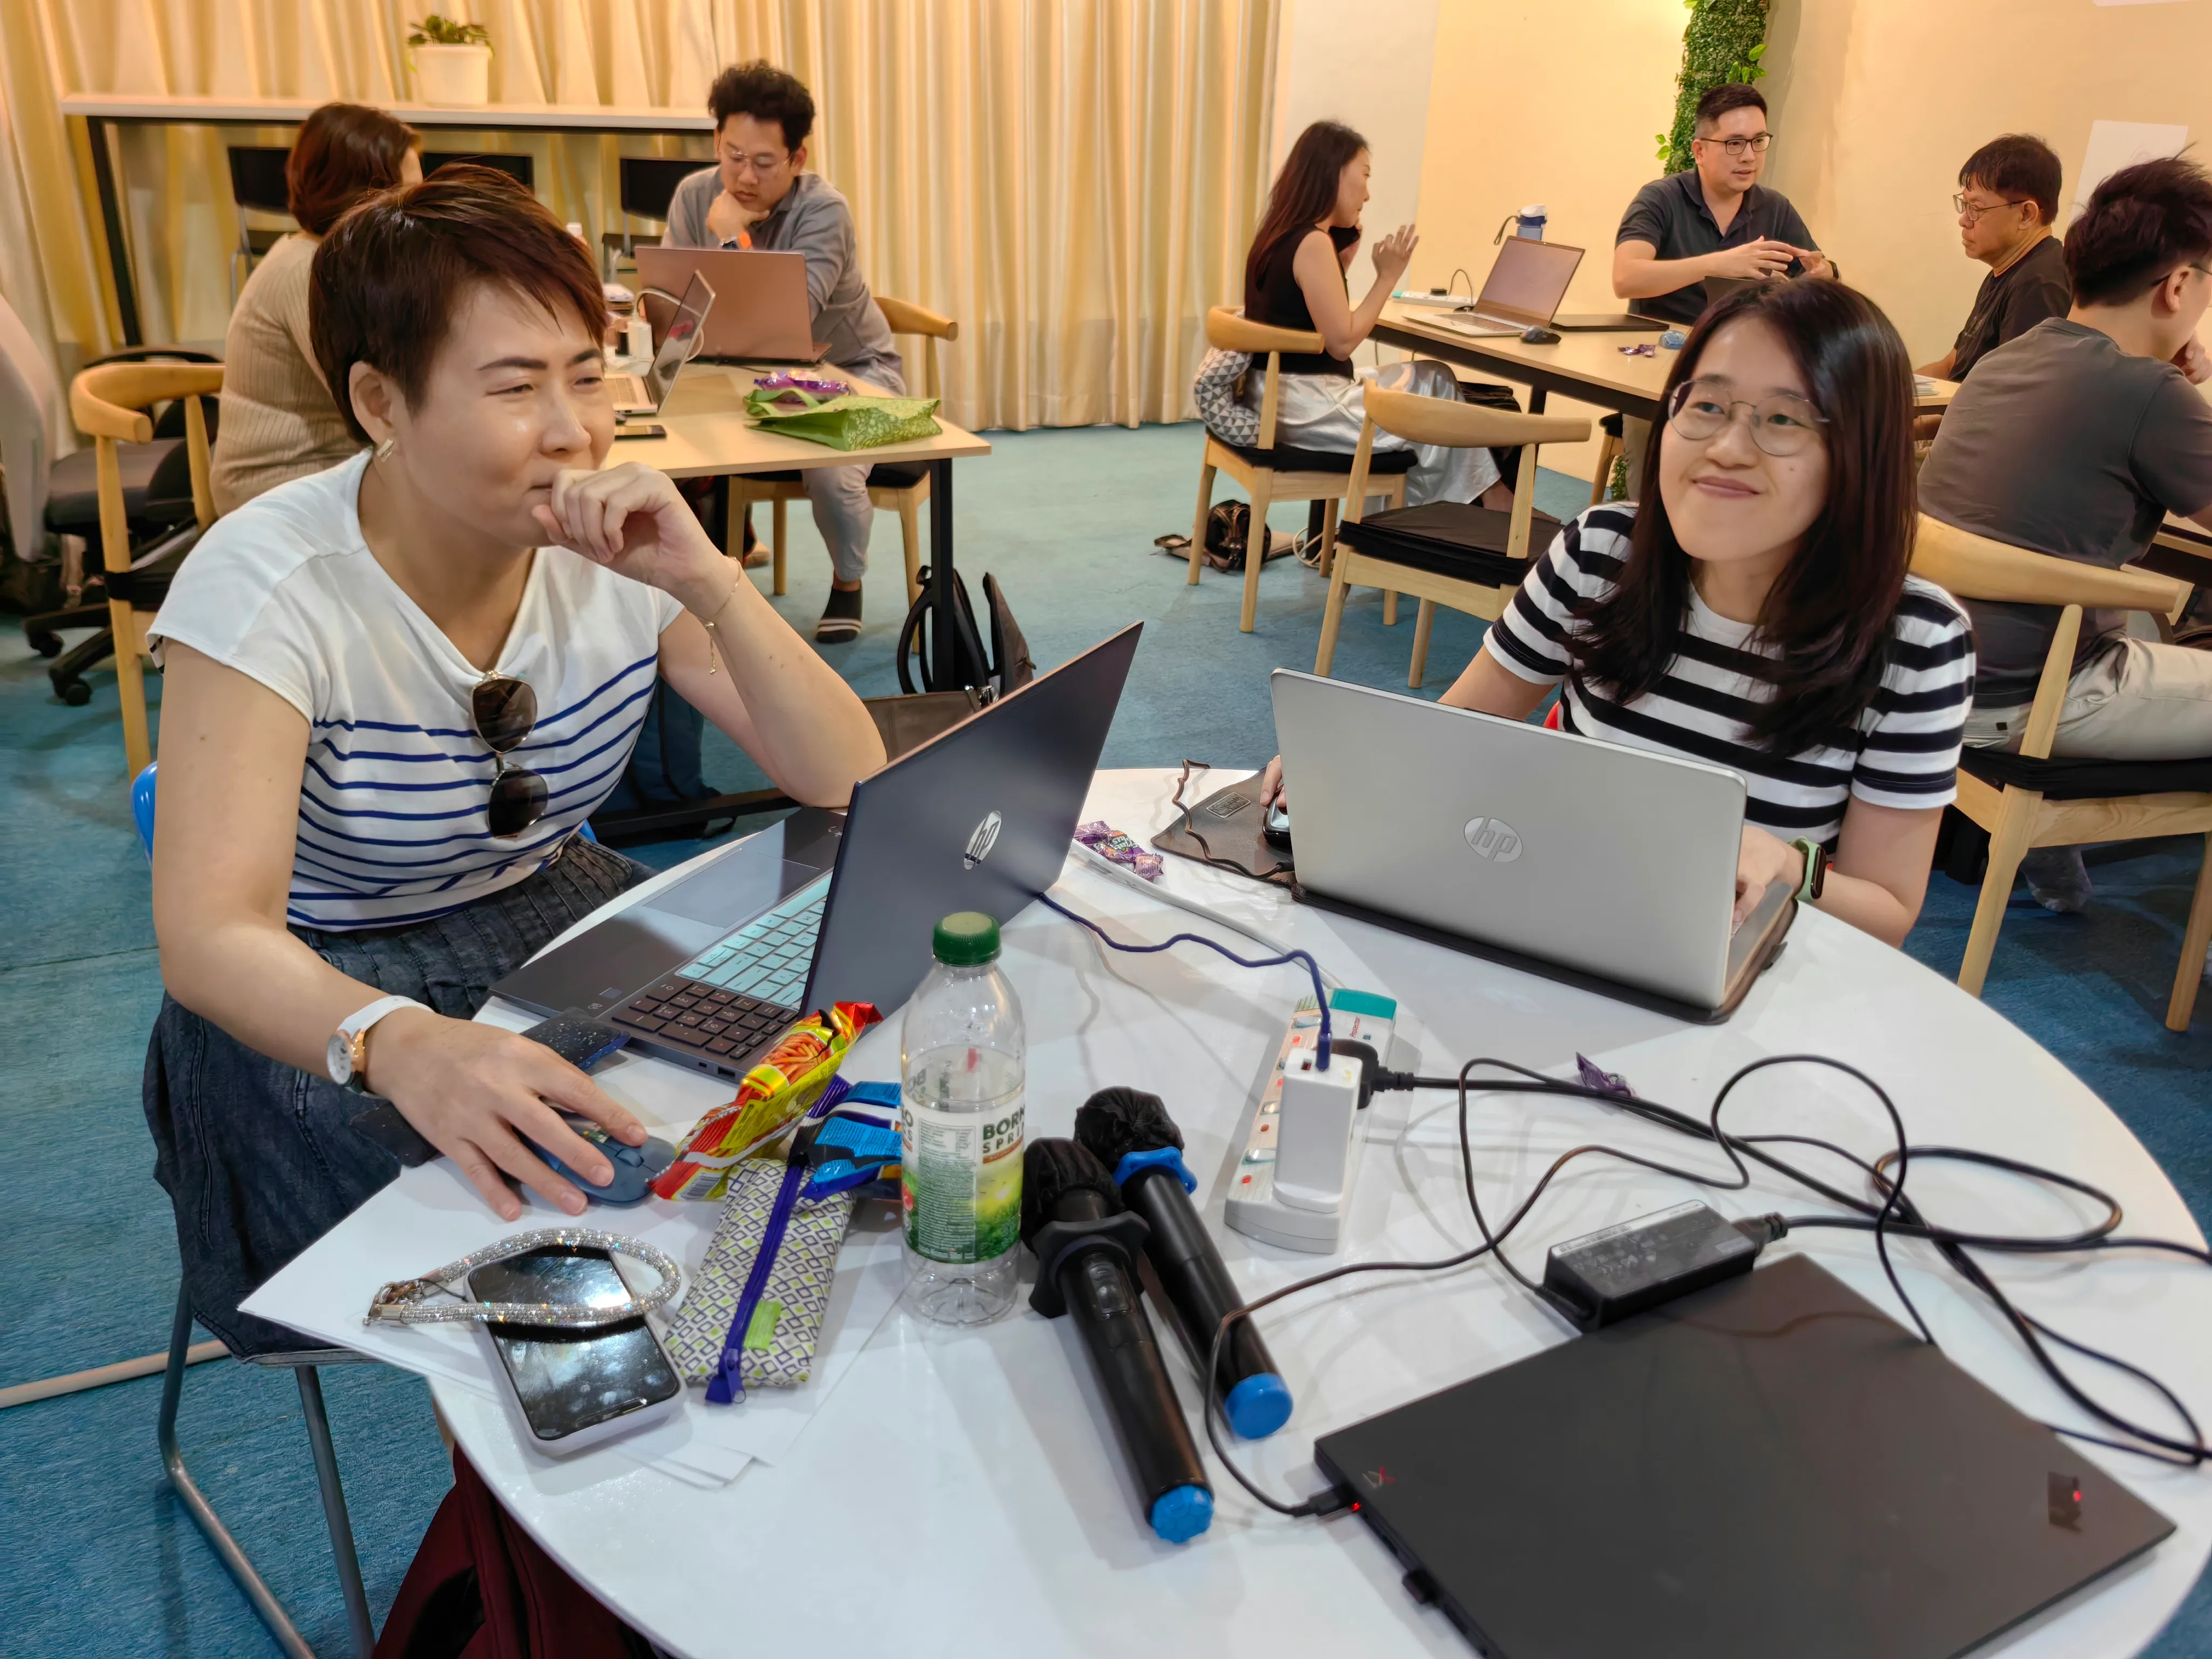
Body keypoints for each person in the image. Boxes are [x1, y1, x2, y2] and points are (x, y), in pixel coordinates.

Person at [142, 167, 887, 1352]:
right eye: (514, 386)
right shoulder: (270, 583)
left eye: (587, 375)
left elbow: (841, 777)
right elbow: (210, 938)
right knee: (582, 1264)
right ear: (382, 403)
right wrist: (400, 1044)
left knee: (788, 1126)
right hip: (319, 986)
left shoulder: (612, 543)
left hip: (550, 915)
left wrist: (710, 582)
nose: (571, 429)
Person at [1264, 280, 1974, 948]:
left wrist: (1792, 867)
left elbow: (1888, 911)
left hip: (1730, 972)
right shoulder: (1603, 551)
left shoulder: (1916, 641)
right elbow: (1460, 728)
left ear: (1860, 454)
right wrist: (1348, 761)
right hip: (1551, 920)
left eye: (1783, 420)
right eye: (1706, 406)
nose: (1726, 449)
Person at [1919, 154, 2212, 915]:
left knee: (2109, 633)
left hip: (1927, 670)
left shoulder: (2009, 359)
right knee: (2113, 642)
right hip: (2027, 701)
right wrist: (2178, 390)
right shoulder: (2152, 394)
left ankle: (2053, 869)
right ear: (2179, 285)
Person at [664, 60, 902, 643]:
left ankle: (848, 582)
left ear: (797, 159)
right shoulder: (694, 195)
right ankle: (726, 553)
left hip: (851, 371)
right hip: (738, 368)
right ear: (717, 141)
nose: (743, 176)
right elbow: (669, 304)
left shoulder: (824, 210)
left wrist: (728, 239)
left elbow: (789, 318)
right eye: (732, 155)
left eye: (764, 162)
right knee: (666, 446)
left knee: (831, 472)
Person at [1238, 120, 1508, 516]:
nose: (1367, 193)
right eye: (1363, 176)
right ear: (1332, 175)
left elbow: (1307, 317)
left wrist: (1342, 264)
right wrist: (1388, 276)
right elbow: (1342, 342)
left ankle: (1405, 522)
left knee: (1435, 378)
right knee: (1429, 408)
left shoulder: (1281, 234)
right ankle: (1470, 508)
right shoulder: (1312, 243)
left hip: (1279, 396)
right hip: (1305, 407)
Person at [1613, 84, 1831, 500]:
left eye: (1758, 142)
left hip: (1747, 371)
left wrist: (1825, 276)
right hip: (1662, 369)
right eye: (1734, 143)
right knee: (1658, 480)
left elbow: (1816, 280)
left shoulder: (1775, 208)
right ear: (1699, 150)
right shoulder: (1661, 199)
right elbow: (1627, 277)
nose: (1749, 156)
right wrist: (1717, 264)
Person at [212, 103, 421, 515]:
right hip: (276, 485)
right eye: (404, 196)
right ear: (362, 193)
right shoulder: (308, 272)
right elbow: (373, 399)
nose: (415, 212)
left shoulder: (321, 257)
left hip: (327, 467)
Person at [1918, 134, 2071, 388]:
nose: (1964, 220)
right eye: (1964, 205)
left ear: (2026, 215)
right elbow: (1951, 365)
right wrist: (1894, 395)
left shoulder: (2040, 282)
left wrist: (1915, 423)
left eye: (1976, 208)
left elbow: (2011, 401)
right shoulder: (2005, 270)